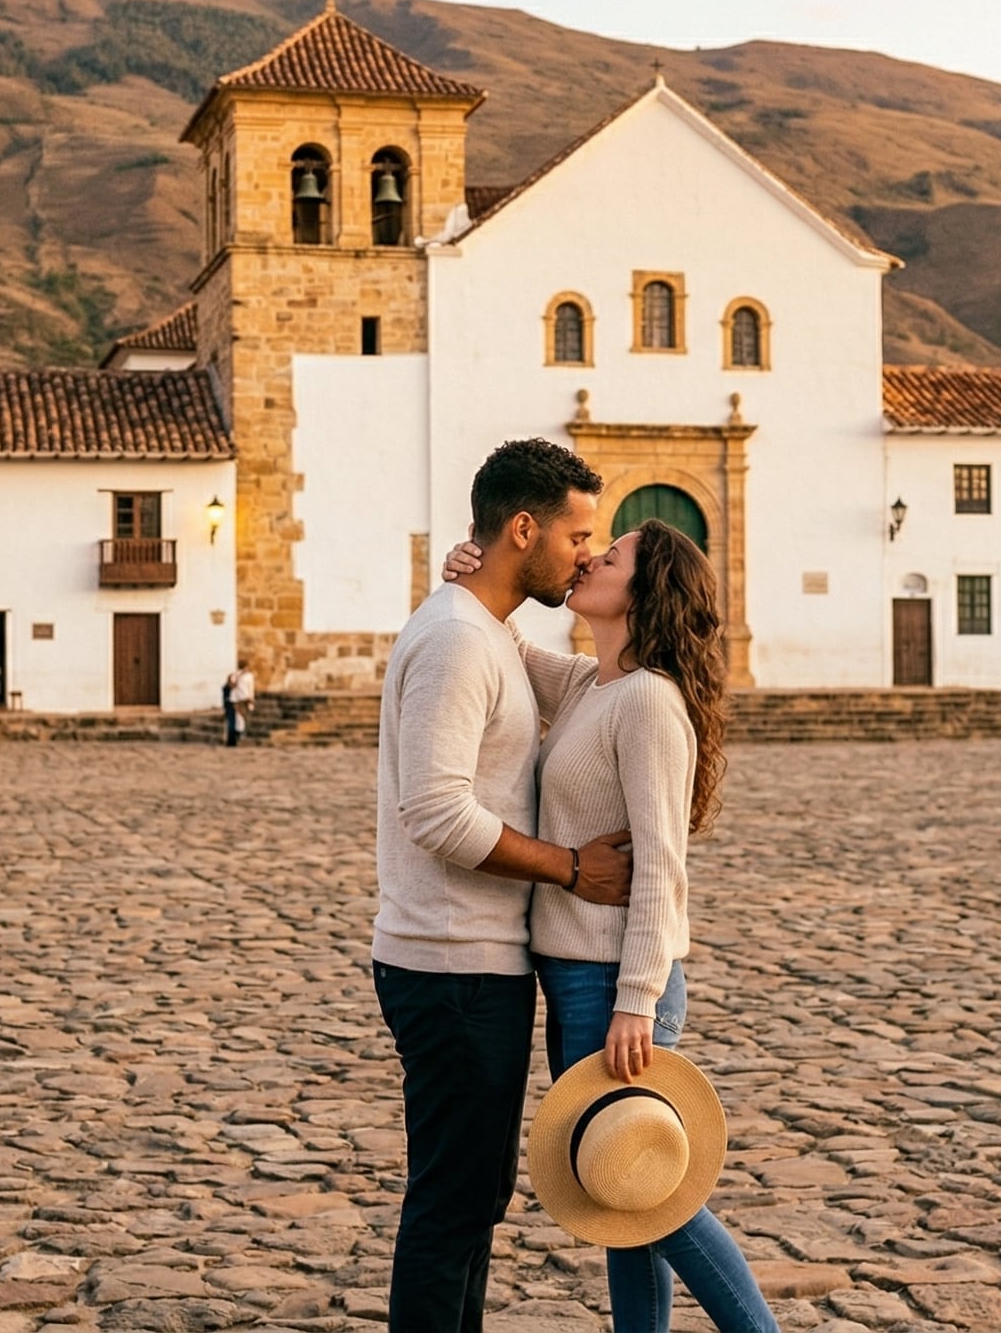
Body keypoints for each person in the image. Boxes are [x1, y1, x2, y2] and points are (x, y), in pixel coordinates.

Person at [442, 523, 779, 1333]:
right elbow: (507, 644)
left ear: (643, 592)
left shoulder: (649, 701)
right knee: (618, 1193)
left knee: (652, 1191)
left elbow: (663, 865)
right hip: (574, 978)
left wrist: (637, 1000)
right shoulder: (590, 685)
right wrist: (469, 572)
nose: (592, 558)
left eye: (613, 555)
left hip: (612, 984)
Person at [373, 438, 631, 1333]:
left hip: (473, 962)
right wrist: (571, 867)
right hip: (450, 964)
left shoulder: (483, 631)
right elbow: (436, 812)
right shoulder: (456, 640)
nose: (587, 556)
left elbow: (590, 686)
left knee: (474, 1198)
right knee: (453, 1202)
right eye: (578, 536)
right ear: (524, 528)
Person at [223, 662, 255, 747]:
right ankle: (237, 738)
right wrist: (251, 701)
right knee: (240, 720)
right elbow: (250, 689)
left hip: (235, 700)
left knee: (236, 721)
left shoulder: (234, 675)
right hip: (242, 700)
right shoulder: (247, 676)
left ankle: (233, 740)